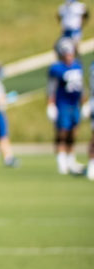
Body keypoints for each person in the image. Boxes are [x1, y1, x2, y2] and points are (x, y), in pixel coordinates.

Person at [47, 37, 88, 175]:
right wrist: (50, 104)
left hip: (74, 104)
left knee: (73, 132)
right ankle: (61, 161)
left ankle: (71, 160)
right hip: (62, 105)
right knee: (62, 133)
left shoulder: (78, 65)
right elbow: (51, 88)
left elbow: (81, 87)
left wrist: (85, 103)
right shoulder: (56, 68)